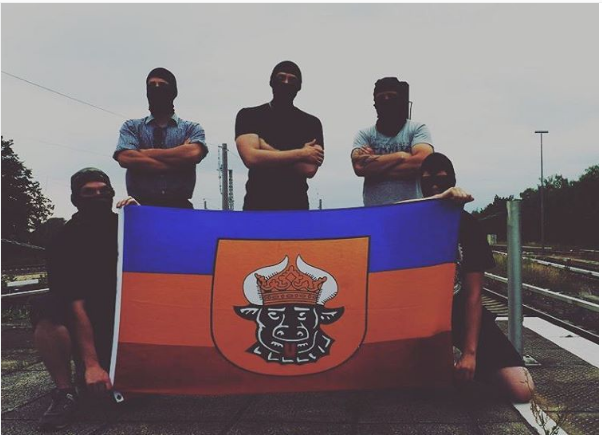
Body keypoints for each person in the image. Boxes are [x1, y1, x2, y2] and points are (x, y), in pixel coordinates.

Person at [420, 153, 534, 403]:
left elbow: (473, 295)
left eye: (441, 179)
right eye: (427, 180)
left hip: (461, 314)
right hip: (422, 317)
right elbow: (388, 212)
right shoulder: (412, 222)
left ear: (453, 180)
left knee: (521, 387)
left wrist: (470, 354)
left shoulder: (468, 225)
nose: (434, 185)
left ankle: (473, 375)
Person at [30, 168, 137, 431]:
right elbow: (74, 304)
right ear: (75, 198)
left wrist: (143, 217)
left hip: (127, 318)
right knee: (46, 307)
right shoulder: (63, 240)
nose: (98, 196)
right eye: (89, 192)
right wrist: (92, 364)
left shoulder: (128, 226)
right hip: (87, 319)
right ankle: (65, 392)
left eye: (103, 191)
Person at [235, 61, 324, 210]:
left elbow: (309, 169)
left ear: (299, 87)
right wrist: (301, 153)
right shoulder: (249, 116)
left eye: (292, 80)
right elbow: (251, 158)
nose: (286, 83)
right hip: (257, 205)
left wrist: (264, 148)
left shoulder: (311, 123)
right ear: (271, 81)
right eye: (281, 78)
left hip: (296, 207)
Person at [114, 67, 208, 209]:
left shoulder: (191, 128)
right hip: (140, 205)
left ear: (173, 91)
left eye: (162, 85)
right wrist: (179, 162)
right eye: (152, 85)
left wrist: (142, 153)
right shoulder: (132, 126)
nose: (156, 89)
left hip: (179, 207)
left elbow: (193, 153)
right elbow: (125, 157)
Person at [351, 77, 434, 206]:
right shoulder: (364, 134)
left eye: (391, 96)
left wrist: (375, 167)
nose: (386, 100)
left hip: (412, 208)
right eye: (381, 97)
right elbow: (359, 167)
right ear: (375, 104)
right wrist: (401, 156)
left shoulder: (417, 129)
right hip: (375, 211)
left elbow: (422, 162)